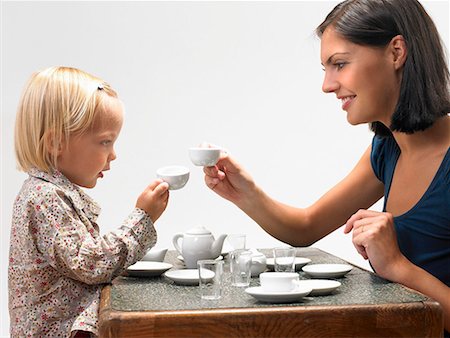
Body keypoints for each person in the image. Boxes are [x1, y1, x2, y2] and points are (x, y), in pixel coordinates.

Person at [204, 0, 450, 334]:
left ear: (396, 52)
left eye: (340, 64)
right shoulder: (386, 150)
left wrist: (395, 265)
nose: (328, 85)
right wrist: (245, 194)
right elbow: (306, 227)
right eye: (326, 69)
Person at [9, 66, 170, 337]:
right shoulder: (44, 199)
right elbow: (92, 264)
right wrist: (142, 218)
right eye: (105, 142)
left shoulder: (51, 194)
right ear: (56, 143)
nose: (113, 154)